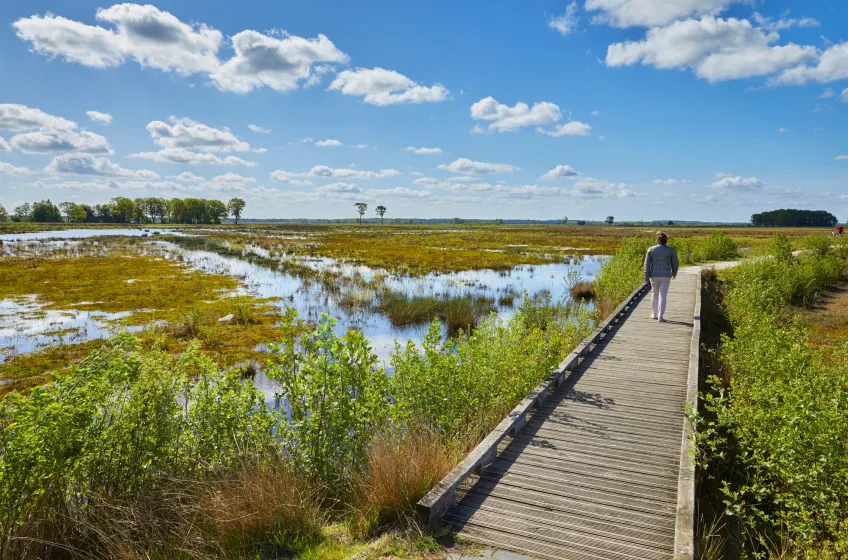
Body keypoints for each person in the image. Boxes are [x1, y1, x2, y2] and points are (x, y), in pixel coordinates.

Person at [644, 231, 679, 322]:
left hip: (654, 275)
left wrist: (646, 277)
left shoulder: (651, 249)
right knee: (663, 296)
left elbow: (646, 265)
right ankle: (661, 316)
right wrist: (674, 273)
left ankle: (654, 313)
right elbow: (675, 263)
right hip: (666, 275)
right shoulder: (671, 250)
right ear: (666, 240)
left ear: (657, 239)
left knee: (654, 294)